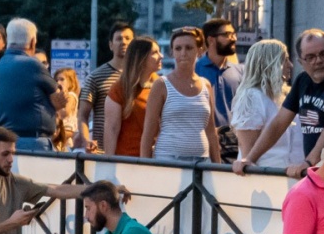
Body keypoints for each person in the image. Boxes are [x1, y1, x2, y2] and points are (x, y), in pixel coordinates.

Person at [234, 28, 324, 176]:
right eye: (310, 57)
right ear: (301, 62)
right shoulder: (302, 80)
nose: (318, 60)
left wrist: (309, 162)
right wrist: (250, 158)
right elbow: (279, 123)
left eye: (323, 53)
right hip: (315, 172)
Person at [141, 26, 221, 162]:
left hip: (202, 160)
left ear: (200, 51)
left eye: (189, 48)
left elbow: (211, 131)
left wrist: (217, 166)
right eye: (178, 48)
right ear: (172, 52)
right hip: (169, 159)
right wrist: (146, 167)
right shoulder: (161, 85)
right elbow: (148, 133)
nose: (183, 53)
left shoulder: (206, 85)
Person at [229, 38, 302, 171]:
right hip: (264, 175)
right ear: (270, 63)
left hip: (288, 174)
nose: (290, 65)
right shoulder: (251, 97)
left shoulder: (282, 96)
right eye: (285, 59)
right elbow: (247, 153)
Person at [0, 19, 58, 146]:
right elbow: (58, 94)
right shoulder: (33, 65)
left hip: (6, 141)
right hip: (33, 142)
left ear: (8, 40)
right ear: (32, 42)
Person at [79, 21, 134, 149]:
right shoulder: (95, 77)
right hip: (102, 150)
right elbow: (82, 115)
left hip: (133, 151)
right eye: (119, 39)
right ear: (111, 45)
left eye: (128, 38)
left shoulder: (140, 77)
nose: (123, 42)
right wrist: (86, 140)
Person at [103, 36, 161, 157]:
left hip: (158, 158)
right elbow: (112, 129)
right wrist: (108, 162)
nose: (161, 56)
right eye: (155, 53)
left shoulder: (161, 85)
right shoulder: (120, 88)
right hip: (127, 159)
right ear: (141, 58)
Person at [197, 17, 242, 157]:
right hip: (203, 146)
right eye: (227, 34)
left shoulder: (241, 72)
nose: (234, 39)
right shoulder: (195, 71)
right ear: (211, 40)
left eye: (234, 34)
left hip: (235, 146)